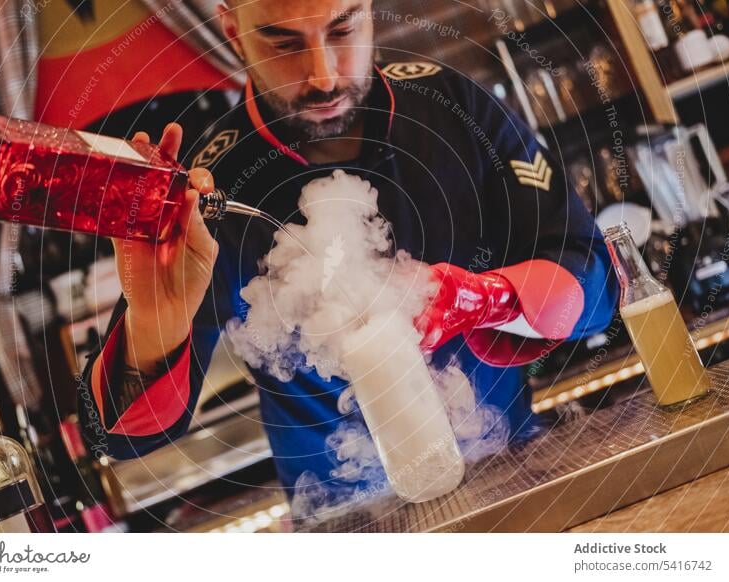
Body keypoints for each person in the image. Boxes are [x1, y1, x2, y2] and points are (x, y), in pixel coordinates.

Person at [78, 0, 620, 497]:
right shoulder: (209, 188)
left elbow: (596, 284)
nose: (324, 75)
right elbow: (118, 440)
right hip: (343, 522)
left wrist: (486, 298)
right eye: (283, 42)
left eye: (343, 27)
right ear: (231, 31)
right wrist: (153, 323)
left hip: (513, 473)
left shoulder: (453, 108)